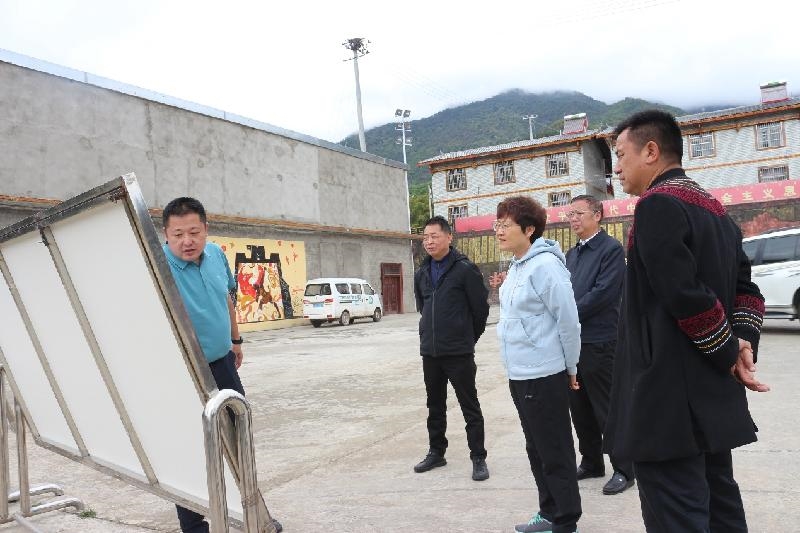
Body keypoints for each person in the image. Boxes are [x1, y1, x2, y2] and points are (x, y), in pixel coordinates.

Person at [605, 110, 770, 532]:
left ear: (652, 151)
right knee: (720, 508)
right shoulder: (715, 212)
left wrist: (729, 352)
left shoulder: (657, 204)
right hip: (709, 396)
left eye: (620, 155)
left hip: (667, 402)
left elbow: (683, 293)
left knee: (677, 515)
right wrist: (741, 342)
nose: (616, 168)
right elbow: (747, 291)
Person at [162, 197, 283, 533]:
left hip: (223, 363)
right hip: (184, 371)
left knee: (239, 437)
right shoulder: (157, 265)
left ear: (205, 229)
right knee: (189, 448)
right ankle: (193, 525)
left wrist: (235, 339)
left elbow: (227, 296)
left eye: (194, 232)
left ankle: (255, 515)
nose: (187, 241)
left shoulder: (215, 254)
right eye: (178, 235)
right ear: (166, 235)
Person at [494, 196, 582, 533]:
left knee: (554, 447)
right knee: (536, 447)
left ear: (529, 229)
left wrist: (571, 367)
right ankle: (549, 512)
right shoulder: (519, 266)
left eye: (506, 225)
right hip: (520, 372)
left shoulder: (545, 266)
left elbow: (568, 321)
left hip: (544, 372)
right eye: (498, 224)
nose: (499, 230)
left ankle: (566, 520)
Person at [564, 194, 633, 495]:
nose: (573, 219)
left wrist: (568, 315)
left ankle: (624, 468)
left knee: (607, 407)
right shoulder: (572, 254)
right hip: (573, 343)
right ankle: (591, 461)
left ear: (597, 215)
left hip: (600, 340)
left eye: (579, 213)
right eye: (570, 214)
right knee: (579, 407)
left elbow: (604, 293)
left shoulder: (610, 249)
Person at [413, 215, 490, 481]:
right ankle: (437, 452)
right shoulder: (421, 272)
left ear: (449, 237)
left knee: (470, 406)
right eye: (425, 237)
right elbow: (423, 308)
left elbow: (480, 311)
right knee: (434, 405)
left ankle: (478, 457)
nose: (429, 241)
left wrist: (466, 339)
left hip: (459, 353)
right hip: (431, 352)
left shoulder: (465, 269)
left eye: (434, 236)